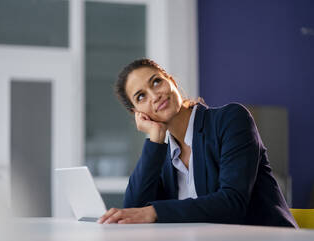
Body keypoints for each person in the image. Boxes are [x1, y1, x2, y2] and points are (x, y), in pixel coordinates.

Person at [97, 58, 297, 228]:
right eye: (141, 97)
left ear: (172, 81)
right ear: (137, 114)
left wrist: (155, 212)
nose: (154, 95)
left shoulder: (231, 119)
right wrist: (155, 140)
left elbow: (232, 203)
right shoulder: (161, 155)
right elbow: (134, 211)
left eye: (157, 82)